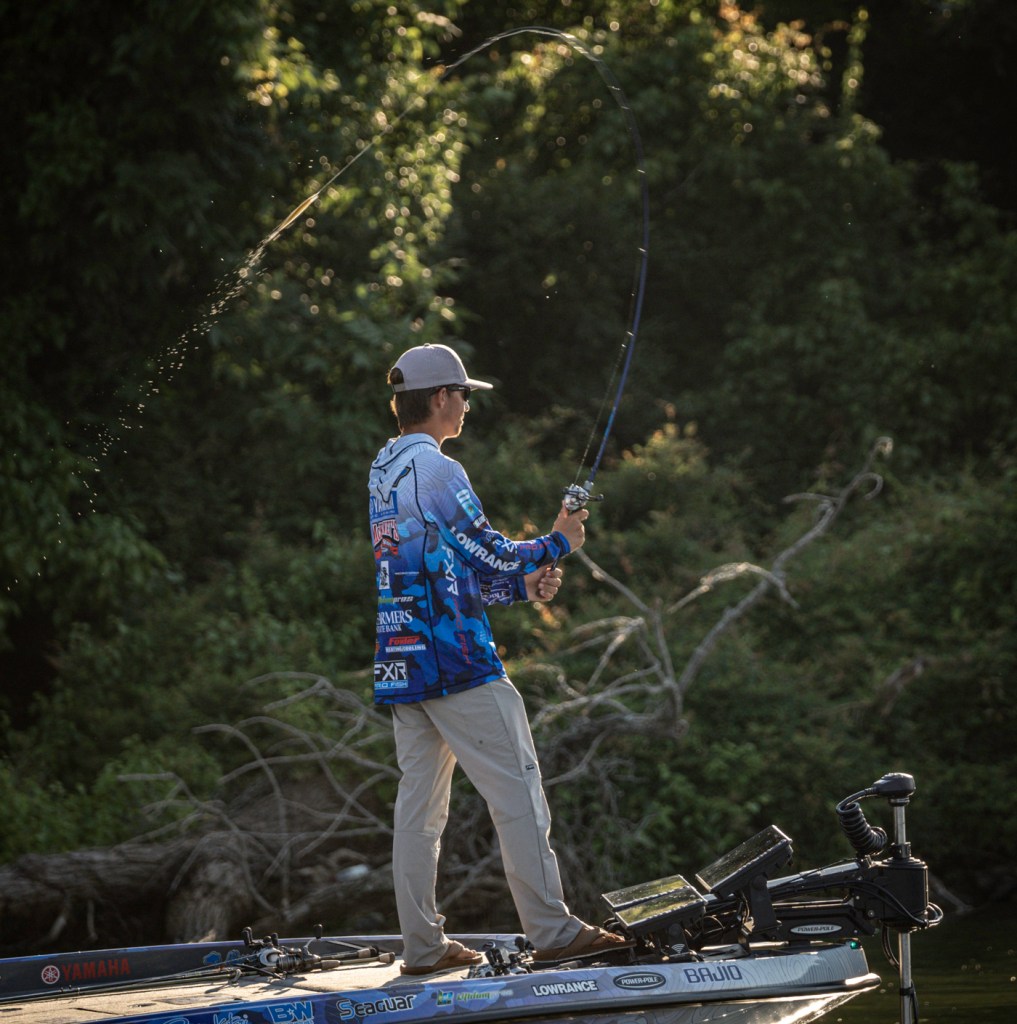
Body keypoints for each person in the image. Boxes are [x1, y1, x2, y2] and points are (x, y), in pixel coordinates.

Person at [369, 342, 630, 975]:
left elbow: (444, 568)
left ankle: (423, 948)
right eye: (463, 396)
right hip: (459, 665)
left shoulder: (382, 470)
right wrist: (557, 544)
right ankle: (554, 932)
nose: (466, 407)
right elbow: (487, 549)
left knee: (418, 813)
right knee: (519, 793)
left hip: (404, 662)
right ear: (440, 398)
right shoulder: (438, 470)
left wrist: (521, 587)